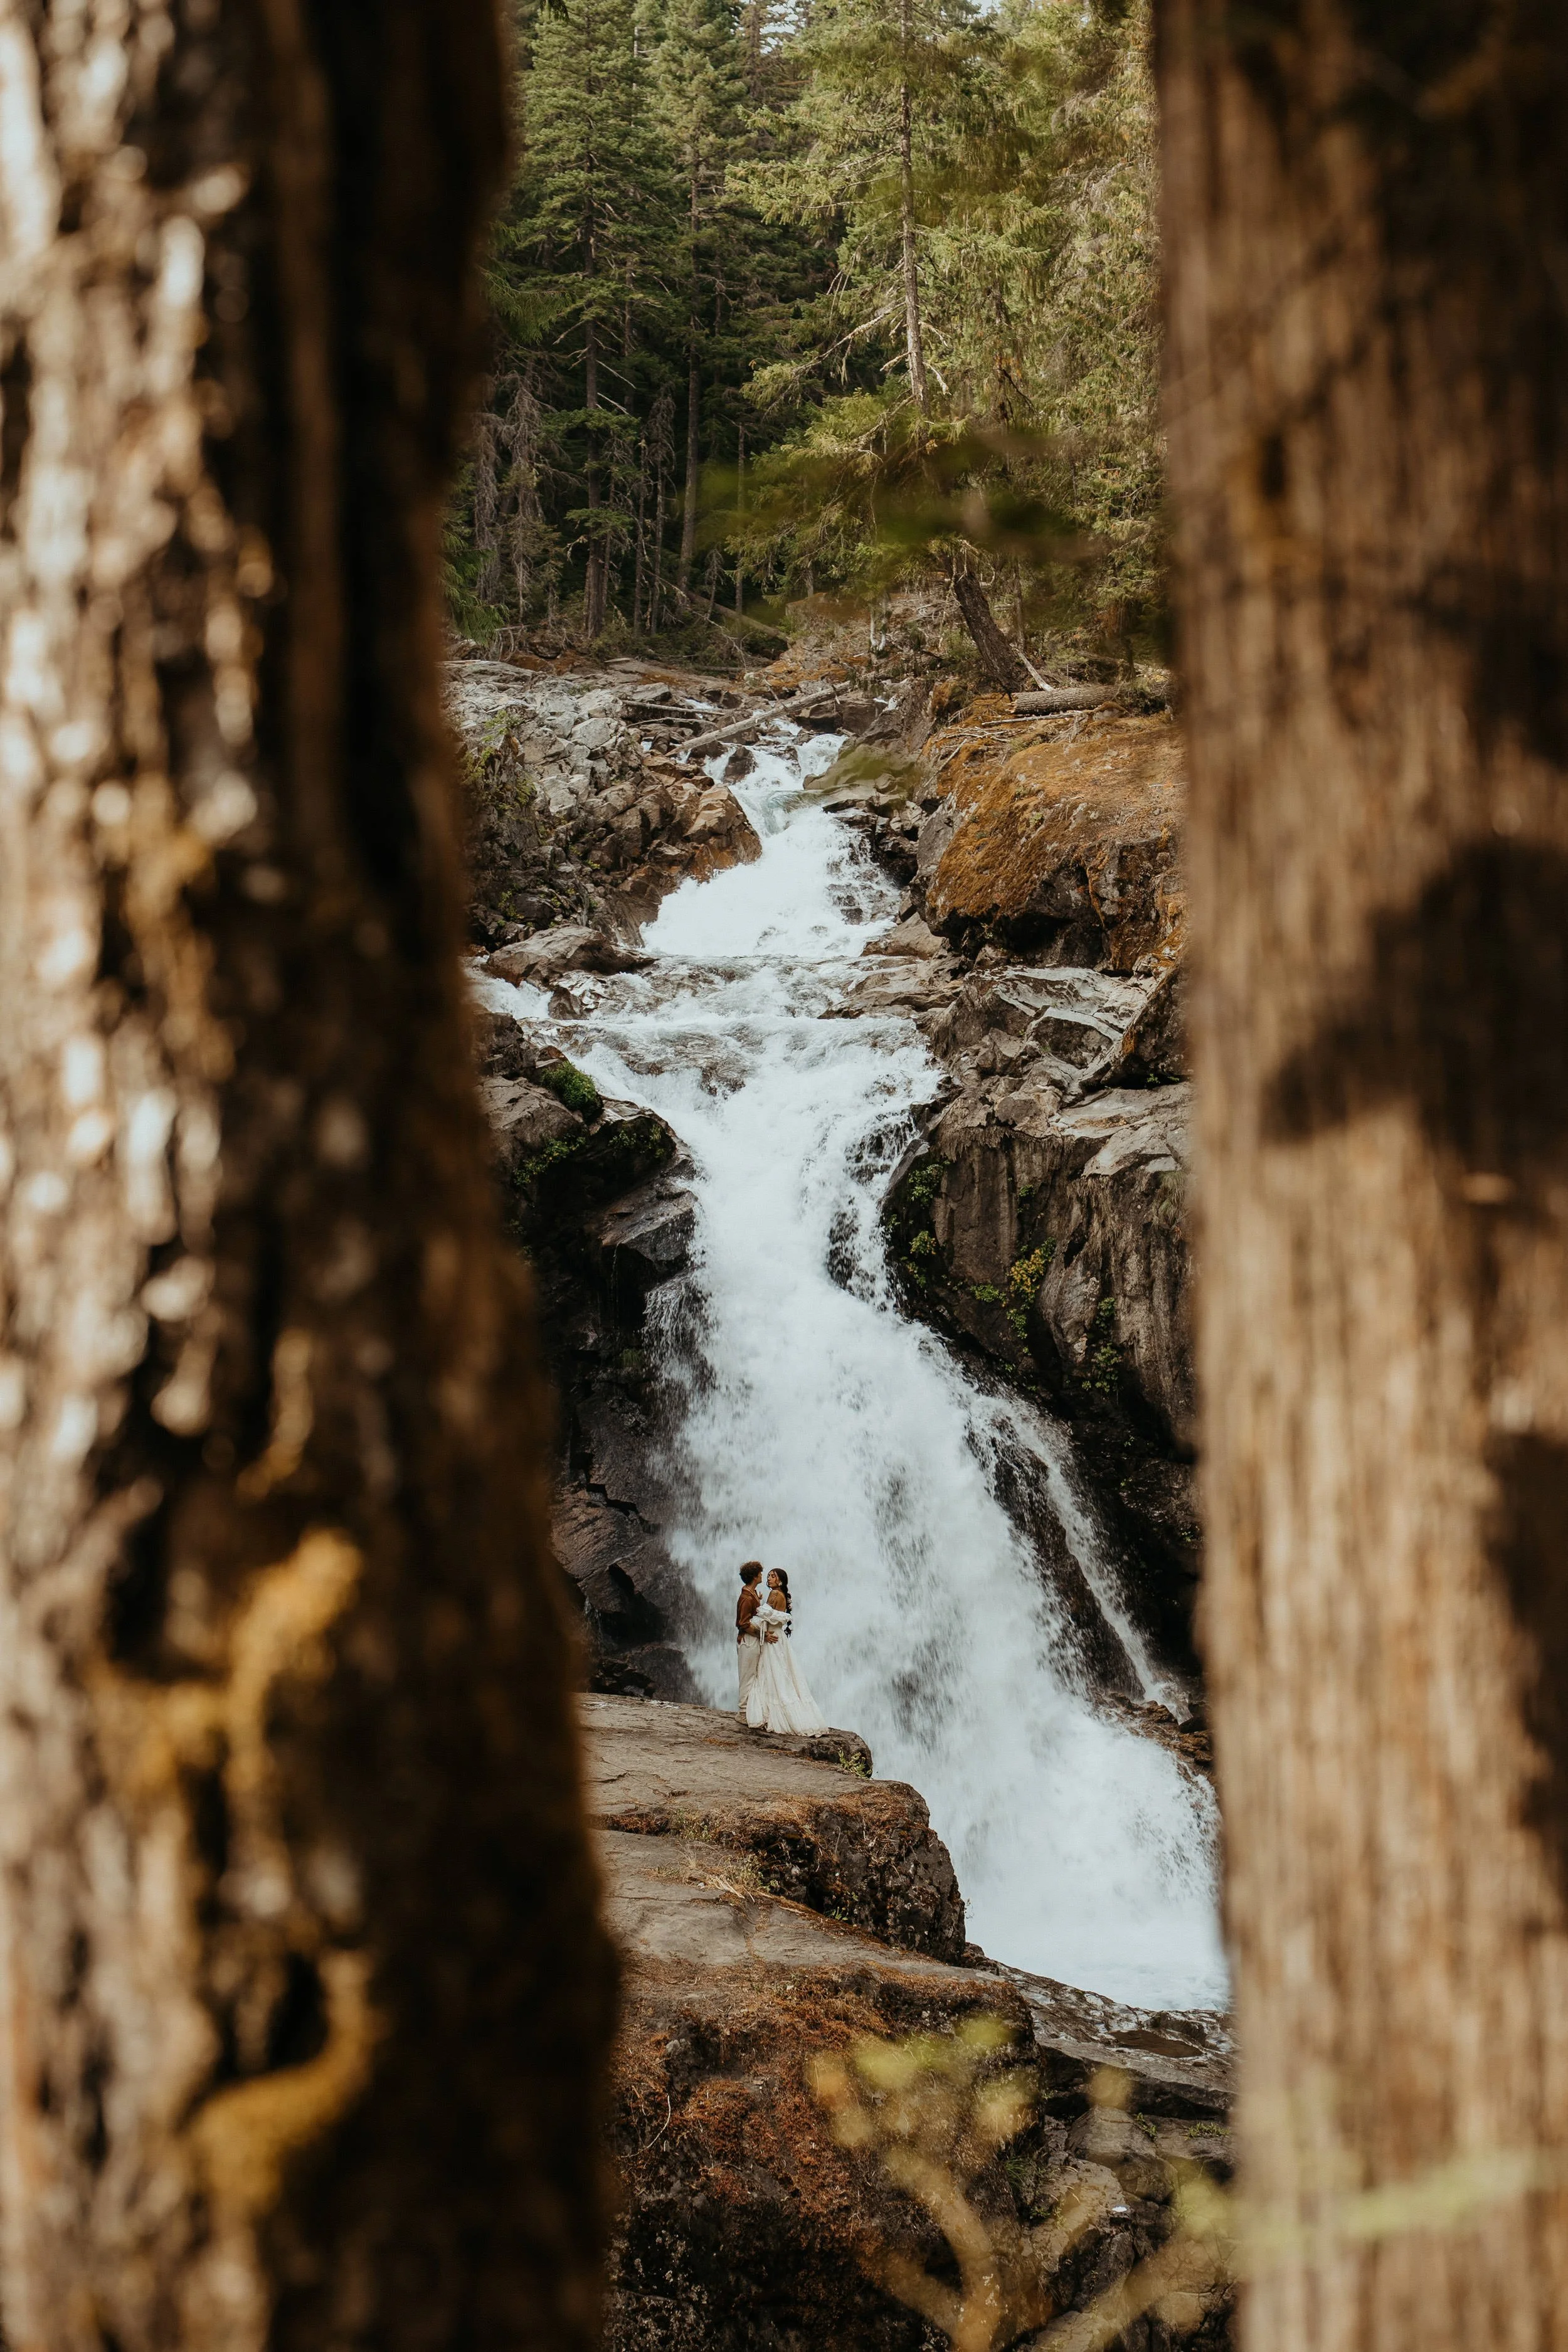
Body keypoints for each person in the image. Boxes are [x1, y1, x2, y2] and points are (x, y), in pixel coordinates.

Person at [745, 1569, 828, 1735]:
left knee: (772, 1674)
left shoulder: (774, 1595)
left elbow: (762, 1617)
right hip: (779, 1637)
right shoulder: (782, 1595)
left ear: (780, 1581)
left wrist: (755, 1607)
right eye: (768, 1575)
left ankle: (772, 1714)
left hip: (772, 1639)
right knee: (783, 1674)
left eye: (773, 1576)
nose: (769, 1578)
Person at [736, 1560, 765, 1720]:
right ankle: (743, 1713)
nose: (762, 1576)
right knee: (747, 1677)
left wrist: (758, 1601)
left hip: (752, 1642)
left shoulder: (752, 1593)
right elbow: (743, 1623)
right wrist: (764, 1635)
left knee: (753, 1676)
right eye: (760, 1573)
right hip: (748, 1641)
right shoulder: (746, 1597)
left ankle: (750, 1710)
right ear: (754, 1577)